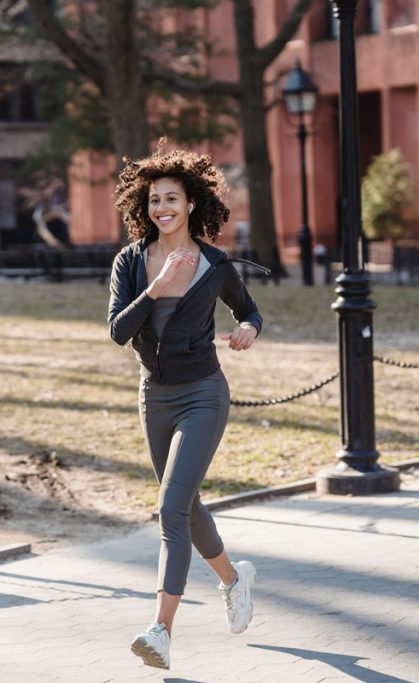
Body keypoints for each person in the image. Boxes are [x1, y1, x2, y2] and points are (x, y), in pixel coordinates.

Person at [108, 142, 262, 670]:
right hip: (155, 396)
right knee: (187, 507)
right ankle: (234, 580)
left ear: (191, 203)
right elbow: (117, 332)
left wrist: (247, 329)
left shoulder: (216, 264)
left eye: (171, 198)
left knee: (171, 508)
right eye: (154, 200)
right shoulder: (130, 261)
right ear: (143, 206)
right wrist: (155, 287)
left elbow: (250, 310)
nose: (162, 209)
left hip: (203, 394)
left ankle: (161, 631)